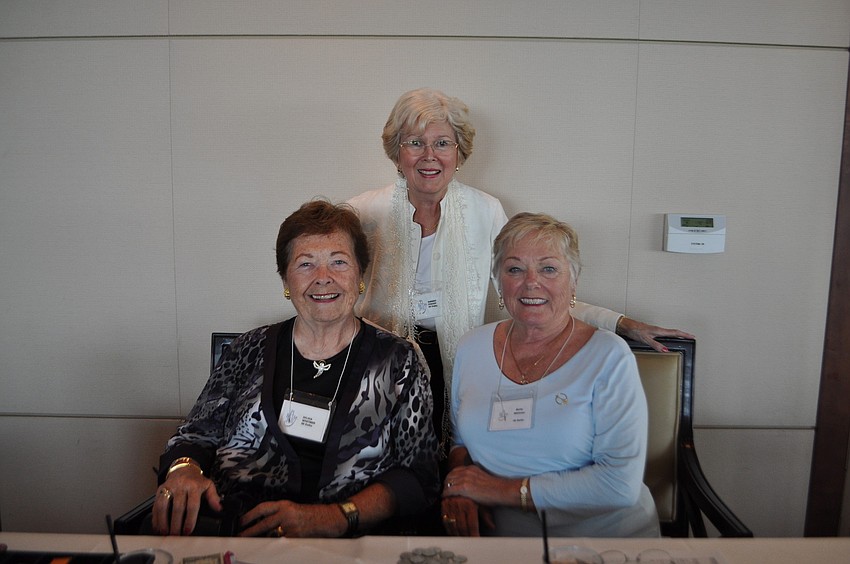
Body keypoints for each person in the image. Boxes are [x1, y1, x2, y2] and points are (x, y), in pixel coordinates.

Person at [348, 87, 692, 454]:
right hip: (379, 363)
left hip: (462, 363)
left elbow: (535, 292)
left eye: (443, 143)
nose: (429, 156)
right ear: (396, 152)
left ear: (459, 152)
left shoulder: (486, 212)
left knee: (450, 457)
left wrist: (621, 324)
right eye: (415, 142)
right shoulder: (364, 213)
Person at [151, 200, 439, 537]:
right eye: (306, 264)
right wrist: (184, 470)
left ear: (360, 274)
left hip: (349, 544)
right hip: (239, 537)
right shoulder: (248, 348)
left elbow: (420, 476)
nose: (323, 278)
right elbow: (195, 435)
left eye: (338, 262)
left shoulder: (397, 360)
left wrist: (337, 516)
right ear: (286, 279)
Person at [441, 212, 659, 537]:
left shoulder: (609, 357)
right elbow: (460, 441)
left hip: (601, 541)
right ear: (498, 282)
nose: (531, 282)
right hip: (499, 541)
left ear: (573, 281)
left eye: (548, 268)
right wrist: (458, 486)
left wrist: (498, 490)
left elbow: (618, 485)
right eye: (515, 268)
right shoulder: (471, 347)